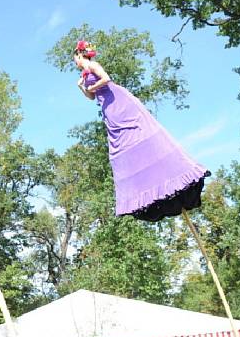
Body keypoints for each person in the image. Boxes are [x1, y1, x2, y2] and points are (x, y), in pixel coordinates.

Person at [73, 40, 209, 220]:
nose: (75, 62)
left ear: (79, 55)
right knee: (119, 146)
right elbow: (92, 97)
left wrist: (92, 85)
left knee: (137, 132)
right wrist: (82, 87)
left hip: (117, 101)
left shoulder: (93, 65)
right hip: (108, 108)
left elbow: (106, 79)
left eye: (75, 58)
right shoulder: (84, 74)